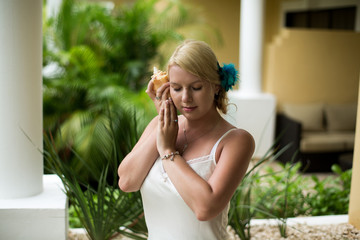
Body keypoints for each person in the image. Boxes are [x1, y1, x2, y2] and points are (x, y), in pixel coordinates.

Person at [118, 39, 255, 240]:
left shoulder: (236, 141)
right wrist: (163, 123)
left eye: (196, 87)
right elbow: (127, 182)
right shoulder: (160, 127)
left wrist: (167, 151)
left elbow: (205, 208)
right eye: (176, 88)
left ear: (216, 86)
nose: (185, 98)